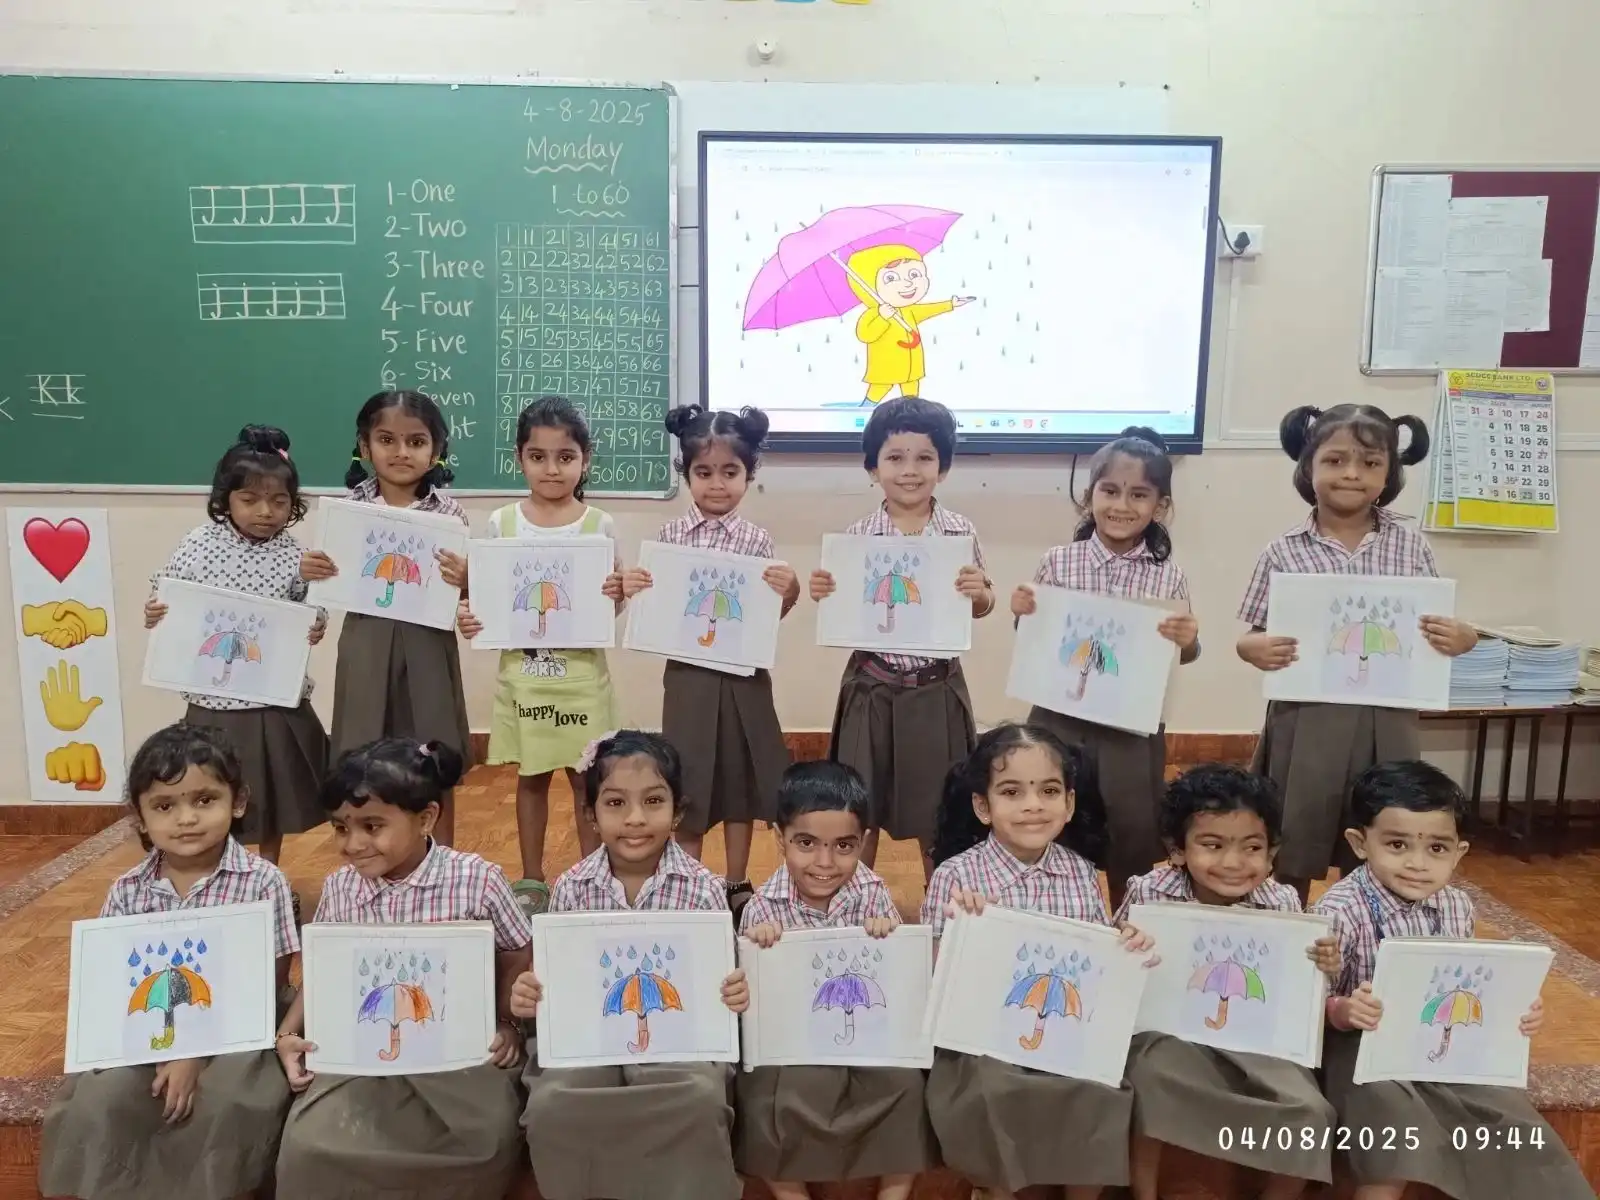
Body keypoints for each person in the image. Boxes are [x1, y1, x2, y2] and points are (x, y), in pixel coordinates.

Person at [40, 724, 298, 1200]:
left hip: (239, 1029)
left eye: (204, 800)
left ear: (237, 802)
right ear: (138, 818)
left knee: (227, 1102)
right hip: (145, 1026)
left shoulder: (264, 882)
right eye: (165, 805)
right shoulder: (128, 889)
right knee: (102, 1098)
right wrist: (164, 1044)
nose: (186, 819)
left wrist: (195, 1051)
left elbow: (267, 984)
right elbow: (117, 987)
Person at [1312, 760, 1591, 1200]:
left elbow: (1469, 981)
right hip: (1363, 1048)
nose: (1417, 864)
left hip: (1443, 1043)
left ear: (1459, 852)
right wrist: (1344, 1010)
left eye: (1437, 849)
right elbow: (1309, 1000)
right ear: (1360, 843)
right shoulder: (1339, 910)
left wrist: (1518, 1010)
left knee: (1510, 1115)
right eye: (1398, 844)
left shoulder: (1458, 905)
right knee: (1389, 1119)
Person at [1236, 404, 1478, 900]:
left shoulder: (1411, 547)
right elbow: (1251, 636)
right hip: (1306, 717)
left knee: (1380, 825)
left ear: (1390, 473)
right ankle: (1285, 923)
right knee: (1294, 828)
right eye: (1336, 460)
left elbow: (1443, 627)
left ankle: (1363, 932)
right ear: (1309, 467)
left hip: (1385, 718)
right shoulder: (1282, 550)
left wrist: (1463, 638)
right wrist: (1254, 649)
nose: (1351, 473)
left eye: (1370, 463)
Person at [273, 738, 529, 1200]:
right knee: (310, 1142)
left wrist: (508, 1023)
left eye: (372, 826)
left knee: (484, 1136)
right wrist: (288, 1034)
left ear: (426, 818)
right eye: (340, 828)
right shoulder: (340, 888)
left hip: (459, 1049)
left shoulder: (477, 880)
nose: (353, 844)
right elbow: (324, 972)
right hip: (363, 1047)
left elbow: (517, 953)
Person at [510, 730, 750, 1200]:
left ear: (677, 812)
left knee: (699, 1095)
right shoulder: (572, 887)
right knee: (554, 1102)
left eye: (654, 801)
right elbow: (557, 984)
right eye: (616, 803)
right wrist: (531, 995)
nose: (636, 819)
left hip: (681, 1043)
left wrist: (736, 990)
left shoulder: (703, 889)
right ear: (591, 815)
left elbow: (717, 983)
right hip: (588, 1040)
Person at [921, 723, 1155, 1200]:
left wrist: (1122, 941)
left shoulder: (1082, 873)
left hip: (1065, 1030)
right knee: (990, 1091)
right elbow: (933, 980)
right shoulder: (955, 877)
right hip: (983, 1038)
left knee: (1102, 1086)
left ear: (1068, 803)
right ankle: (993, 1190)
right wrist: (962, 935)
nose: (1033, 805)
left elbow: (1094, 958)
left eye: (1049, 791)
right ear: (983, 807)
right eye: (1012, 791)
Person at [1116, 764, 1339, 1200]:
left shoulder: (1282, 901)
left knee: (1312, 1111)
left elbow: (1301, 993)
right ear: (1177, 849)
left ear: (1271, 854)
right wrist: (1125, 945)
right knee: (1149, 1080)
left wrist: (1324, 967)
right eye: (1212, 845)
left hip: (1261, 1042)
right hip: (1169, 1036)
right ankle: (1143, 1194)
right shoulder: (1149, 892)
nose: (1233, 863)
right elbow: (1113, 969)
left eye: (1252, 848)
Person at [1011, 425, 1198, 909]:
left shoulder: (1168, 574)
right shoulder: (1059, 562)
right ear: (1089, 495)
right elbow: (1033, 639)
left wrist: (1189, 639)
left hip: (1131, 732)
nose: (1122, 505)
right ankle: (1052, 913)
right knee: (1052, 819)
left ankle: (1125, 921)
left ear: (1160, 506)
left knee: (1130, 832)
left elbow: (1183, 654)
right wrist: (1022, 612)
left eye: (1139, 495)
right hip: (1059, 720)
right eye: (1109, 491)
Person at [735, 760, 936, 1200]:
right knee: (758, 1097)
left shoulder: (874, 893)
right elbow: (751, 1000)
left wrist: (889, 936)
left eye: (843, 846)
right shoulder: (762, 908)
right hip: (792, 1043)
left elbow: (895, 980)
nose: (824, 862)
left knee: (907, 1086)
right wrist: (756, 948)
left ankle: (894, 1192)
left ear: (863, 842)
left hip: (867, 1037)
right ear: (779, 838)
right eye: (806, 843)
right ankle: (791, 1195)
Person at [811, 397, 995, 873]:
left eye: (924, 458)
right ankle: (852, 901)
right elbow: (842, 609)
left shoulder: (960, 532)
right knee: (857, 805)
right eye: (895, 458)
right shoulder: (856, 538)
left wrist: (980, 594)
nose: (909, 470)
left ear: (944, 467)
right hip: (870, 687)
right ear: (873, 467)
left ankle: (942, 905)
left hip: (936, 688)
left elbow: (981, 606)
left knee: (943, 810)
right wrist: (824, 591)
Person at [456, 396, 625, 915]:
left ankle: (593, 876)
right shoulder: (502, 524)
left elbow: (606, 610)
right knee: (529, 780)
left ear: (585, 460)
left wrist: (618, 595)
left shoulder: (599, 525)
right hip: (524, 679)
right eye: (538, 456)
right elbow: (482, 602)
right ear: (519, 458)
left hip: (580, 679)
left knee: (585, 782)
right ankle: (532, 879)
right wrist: (470, 616)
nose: (552, 469)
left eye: (566, 457)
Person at [621, 403, 797, 901]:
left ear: (749, 475)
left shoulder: (758, 541)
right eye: (703, 472)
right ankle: (691, 883)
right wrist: (636, 586)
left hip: (744, 678)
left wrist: (790, 591)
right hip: (688, 678)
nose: (716, 484)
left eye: (730, 472)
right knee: (690, 777)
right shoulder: (669, 539)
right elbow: (654, 612)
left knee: (739, 783)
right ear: (686, 473)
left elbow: (766, 620)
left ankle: (737, 881)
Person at [143, 425, 328, 866]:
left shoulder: (295, 555)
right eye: (250, 500)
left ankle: (267, 874)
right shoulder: (199, 544)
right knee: (213, 786)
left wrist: (316, 624)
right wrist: (155, 613)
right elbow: (166, 597)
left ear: (293, 503)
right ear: (225, 499)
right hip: (213, 698)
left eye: (279, 502)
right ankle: (220, 874)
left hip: (273, 696)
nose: (265, 512)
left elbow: (311, 610)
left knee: (272, 793)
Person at [301, 390, 471, 846]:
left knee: (433, 751)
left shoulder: (449, 514)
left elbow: (468, 591)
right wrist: (312, 573)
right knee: (362, 749)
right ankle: (364, 857)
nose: (401, 452)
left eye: (416, 441)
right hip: (366, 640)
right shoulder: (347, 511)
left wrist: (468, 579)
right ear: (364, 444)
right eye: (386, 440)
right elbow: (324, 583)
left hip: (429, 643)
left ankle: (444, 860)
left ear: (436, 450)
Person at [844, 244, 974, 404]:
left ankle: (913, 413)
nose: (907, 284)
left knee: (912, 393)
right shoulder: (874, 313)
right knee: (878, 389)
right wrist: (882, 318)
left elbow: (929, 309)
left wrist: (951, 304)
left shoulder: (909, 310)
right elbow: (865, 335)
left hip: (911, 368)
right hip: (885, 368)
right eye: (891, 278)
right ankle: (866, 408)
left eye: (914, 274)